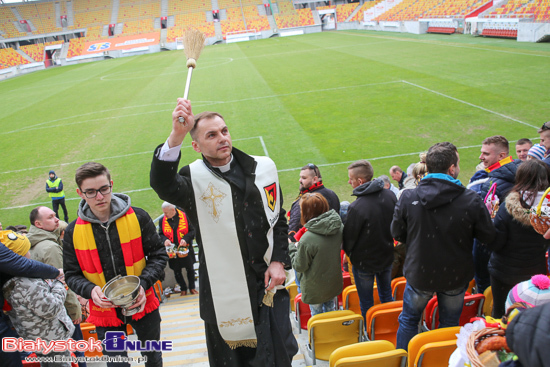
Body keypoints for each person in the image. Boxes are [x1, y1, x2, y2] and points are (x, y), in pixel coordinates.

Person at [150, 99, 298, 366]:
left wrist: (279, 261)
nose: (222, 138)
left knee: (280, 357)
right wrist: (176, 135)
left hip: (268, 286)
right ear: (196, 146)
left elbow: (278, 219)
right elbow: (162, 183)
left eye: (224, 131)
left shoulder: (262, 168)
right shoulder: (192, 178)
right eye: (211, 135)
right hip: (222, 295)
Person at [391, 142, 495, 350]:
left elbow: (397, 234)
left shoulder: (409, 197)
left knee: (410, 320)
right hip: (453, 275)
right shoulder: (470, 200)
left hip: (422, 271)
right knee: (447, 323)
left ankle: (405, 360)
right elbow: (487, 237)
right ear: (451, 168)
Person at [63, 162, 168, 367]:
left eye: (103, 189)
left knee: (153, 357)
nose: (100, 197)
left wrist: (143, 283)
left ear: (111, 184)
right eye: (91, 192)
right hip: (104, 312)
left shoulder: (138, 217)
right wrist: (91, 290)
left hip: (143, 301)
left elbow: (158, 255)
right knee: (116, 363)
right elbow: (71, 274)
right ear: (80, 193)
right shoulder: (72, 232)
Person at [487, 160, 550, 318]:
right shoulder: (546, 210)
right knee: (530, 318)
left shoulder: (506, 208)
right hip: (534, 274)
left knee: (501, 314)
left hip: (504, 273)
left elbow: (496, 243)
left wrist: (490, 224)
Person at [2, 230, 74, 367]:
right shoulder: (25, 283)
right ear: (20, 256)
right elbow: (50, 308)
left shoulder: (11, 281)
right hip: (50, 338)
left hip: (36, 337)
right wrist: (59, 284)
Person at [27, 206, 85, 366]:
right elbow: (62, 282)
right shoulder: (49, 248)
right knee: (77, 350)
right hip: (63, 314)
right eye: (51, 217)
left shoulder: (34, 243)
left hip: (46, 313)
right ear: (38, 224)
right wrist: (74, 310)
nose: (56, 219)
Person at [343, 160, 396, 322]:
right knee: (387, 295)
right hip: (387, 256)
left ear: (360, 181)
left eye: (351, 179)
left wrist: (349, 254)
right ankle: (390, 324)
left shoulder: (357, 207)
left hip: (365, 264)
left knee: (366, 302)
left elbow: (349, 239)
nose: (348, 182)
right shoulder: (390, 195)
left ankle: (371, 331)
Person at [288, 193, 343, 316]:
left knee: (317, 316)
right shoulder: (338, 227)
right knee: (331, 312)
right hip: (332, 283)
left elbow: (299, 266)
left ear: (307, 212)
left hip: (315, 288)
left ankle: (321, 335)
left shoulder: (307, 238)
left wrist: (291, 247)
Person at [287, 163, 340, 241]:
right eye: (300, 177)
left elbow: (292, 231)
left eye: (304, 178)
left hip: (311, 245)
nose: (300, 180)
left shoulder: (306, 201)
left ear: (315, 179)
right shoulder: (332, 194)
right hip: (333, 241)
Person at [158, 201, 197, 296]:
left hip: (185, 249)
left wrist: (185, 239)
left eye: (166, 212)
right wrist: (165, 240)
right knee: (176, 271)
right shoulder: (162, 220)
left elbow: (193, 231)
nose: (164, 214)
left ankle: (192, 288)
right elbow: (161, 234)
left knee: (190, 269)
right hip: (173, 251)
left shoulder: (186, 216)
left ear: (172, 210)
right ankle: (183, 288)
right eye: (163, 212)